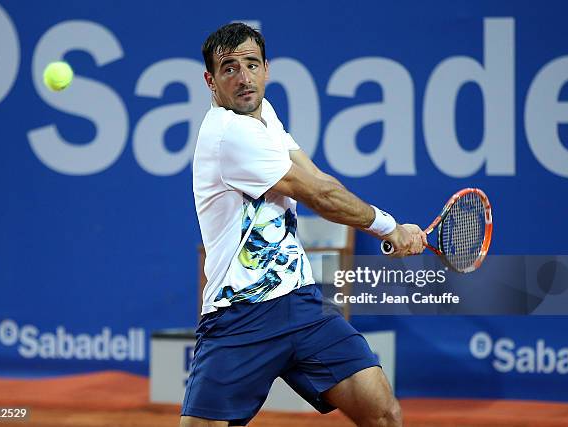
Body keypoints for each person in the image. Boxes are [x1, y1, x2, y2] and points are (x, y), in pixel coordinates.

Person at [182, 23, 426, 427]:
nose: (243, 78)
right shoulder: (228, 134)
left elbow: (319, 179)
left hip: (300, 303)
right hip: (239, 316)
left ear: (266, 69)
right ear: (210, 80)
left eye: (251, 65)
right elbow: (318, 196)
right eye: (229, 69)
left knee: (383, 412)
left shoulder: (266, 116)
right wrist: (388, 227)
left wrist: (394, 227)